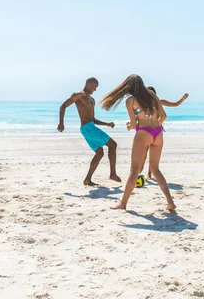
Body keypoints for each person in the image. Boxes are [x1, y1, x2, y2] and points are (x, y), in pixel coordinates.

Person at [101, 75, 176, 211]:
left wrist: (132, 127)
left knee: (134, 169)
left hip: (143, 134)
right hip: (158, 133)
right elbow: (163, 116)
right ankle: (170, 202)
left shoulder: (130, 101)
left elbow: (135, 123)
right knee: (156, 169)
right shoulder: (152, 94)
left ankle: (123, 203)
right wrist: (153, 127)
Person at [58, 77, 121, 186]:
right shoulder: (79, 95)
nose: (95, 90)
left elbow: (92, 119)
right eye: (94, 87)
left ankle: (87, 179)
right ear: (88, 84)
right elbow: (63, 106)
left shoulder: (91, 100)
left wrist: (107, 124)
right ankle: (113, 174)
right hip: (87, 128)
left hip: (89, 127)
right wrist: (61, 123)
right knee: (113, 145)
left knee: (99, 152)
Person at [140, 87, 189, 179]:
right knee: (145, 152)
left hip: (156, 130)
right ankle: (141, 172)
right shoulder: (145, 105)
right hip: (149, 130)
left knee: (152, 153)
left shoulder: (160, 102)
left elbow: (175, 104)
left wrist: (182, 99)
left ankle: (149, 174)